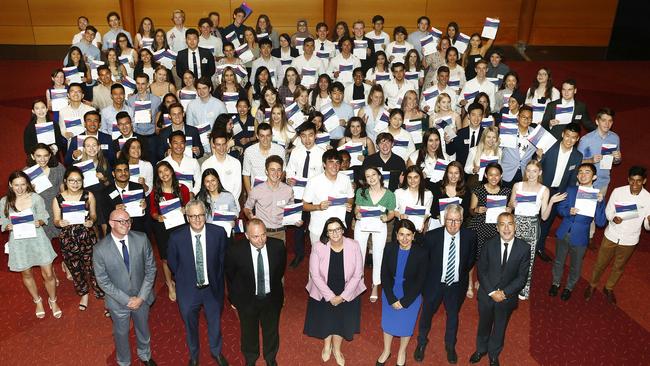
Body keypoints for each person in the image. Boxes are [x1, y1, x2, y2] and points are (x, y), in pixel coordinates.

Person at [166, 200, 228, 366]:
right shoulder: (176, 237)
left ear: (205, 215)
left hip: (212, 289)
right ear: (187, 218)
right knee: (190, 325)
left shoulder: (218, 233)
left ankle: (216, 352)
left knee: (215, 323)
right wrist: (184, 278)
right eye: (193, 216)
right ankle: (194, 355)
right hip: (188, 290)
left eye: (201, 215)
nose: (198, 220)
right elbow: (173, 263)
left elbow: (222, 260)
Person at [93, 209, 157, 366]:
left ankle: (145, 355)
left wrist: (141, 297)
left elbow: (151, 269)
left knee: (143, 328)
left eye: (128, 220)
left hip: (142, 297)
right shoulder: (100, 249)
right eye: (121, 221)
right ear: (111, 223)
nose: (126, 224)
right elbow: (103, 280)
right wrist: (126, 300)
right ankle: (124, 361)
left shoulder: (141, 239)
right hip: (118, 301)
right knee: (121, 333)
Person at [414, 204, 476, 364]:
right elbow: (424, 262)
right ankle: (421, 342)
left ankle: (450, 345)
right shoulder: (432, 237)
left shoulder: (470, 236)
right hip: (434, 284)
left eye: (457, 220)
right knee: (426, 314)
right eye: (450, 220)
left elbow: (470, 261)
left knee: (453, 316)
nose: (453, 224)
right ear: (443, 220)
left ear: (462, 221)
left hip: (456, 285)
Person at [469, 212, 530, 366]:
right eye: (502, 224)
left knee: (500, 327)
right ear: (497, 228)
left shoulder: (524, 248)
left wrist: (504, 293)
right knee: (484, 324)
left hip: (507, 298)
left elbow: (522, 278)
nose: (506, 228)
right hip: (486, 295)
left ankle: (494, 354)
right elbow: (481, 270)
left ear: (515, 226)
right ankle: (481, 349)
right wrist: (491, 292)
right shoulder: (489, 244)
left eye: (510, 224)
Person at [304, 217, 366, 365]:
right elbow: (315, 275)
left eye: (338, 229)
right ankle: (326, 346)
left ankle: (337, 349)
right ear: (327, 233)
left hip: (347, 289)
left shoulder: (354, 245)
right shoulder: (318, 247)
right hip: (324, 289)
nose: (335, 233)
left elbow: (358, 274)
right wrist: (330, 296)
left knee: (340, 322)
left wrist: (343, 296)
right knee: (327, 320)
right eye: (331, 230)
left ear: (343, 230)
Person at [225, 218, 287, 366]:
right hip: (247, 300)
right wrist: (233, 299)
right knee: (248, 331)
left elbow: (279, 272)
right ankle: (251, 358)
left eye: (263, 235)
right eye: (255, 236)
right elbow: (230, 276)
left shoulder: (277, 246)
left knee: (271, 330)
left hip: (271, 298)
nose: (261, 240)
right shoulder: (236, 251)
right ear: (247, 236)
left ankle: (271, 357)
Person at [585, 166, 650, 304]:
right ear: (628, 180)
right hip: (612, 234)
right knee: (600, 263)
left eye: (639, 181)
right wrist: (613, 218)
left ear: (644, 181)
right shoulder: (618, 192)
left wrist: (649, 222)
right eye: (632, 181)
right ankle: (592, 285)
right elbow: (608, 212)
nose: (635, 185)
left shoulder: (648, 198)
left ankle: (609, 287)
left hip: (630, 239)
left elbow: (646, 226)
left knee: (619, 267)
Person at [1, 171, 60, 319]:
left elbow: (44, 216)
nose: (20, 188)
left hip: (38, 239)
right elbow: (3, 220)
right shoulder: (4, 201)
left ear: (27, 184)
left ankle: (53, 300)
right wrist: (7, 226)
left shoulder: (35, 198)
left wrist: (38, 222)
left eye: (23, 184)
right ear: (10, 185)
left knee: (48, 273)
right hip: (19, 243)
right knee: (26, 273)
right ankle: (37, 300)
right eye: (16, 185)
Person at [508, 160, 566, 300]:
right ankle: (509, 284)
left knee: (528, 259)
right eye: (528, 170)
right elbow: (510, 206)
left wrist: (551, 201)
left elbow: (545, 217)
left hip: (532, 225)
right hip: (515, 223)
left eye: (534, 171)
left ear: (539, 172)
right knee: (511, 255)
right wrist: (512, 203)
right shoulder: (517, 185)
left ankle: (523, 288)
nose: (531, 174)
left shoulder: (544, 190)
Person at [549, 163, 606, 301]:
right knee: (558, 261)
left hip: (580, 236)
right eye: (580, 172)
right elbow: (560, 209)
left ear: (594, 177)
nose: (583, 175)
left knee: (576, 265)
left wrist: (600, 203)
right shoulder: (571, 189)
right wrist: (568, 211)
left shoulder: (596, 195)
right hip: (564, 231)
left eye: (587, 172)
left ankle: (569, 287)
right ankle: (555, 283)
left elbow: (600, 222)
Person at [52, 166, 104, 311]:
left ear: (82, 181)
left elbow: (94, 215)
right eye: (71, 180)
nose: (75, 183)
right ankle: (84, 293)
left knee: (94, 266)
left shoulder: (89, 195)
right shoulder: (58, 199)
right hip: (68, 239)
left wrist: (91, 221)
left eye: (78, 180)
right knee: (76, 269)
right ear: (65, 181)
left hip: (87, 236)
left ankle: (99, 290)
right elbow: (56, 220)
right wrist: (59, 223)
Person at [376, 219, 427, 366]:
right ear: (396, 235)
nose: (405, 239)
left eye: (408, 235)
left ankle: (401, 351)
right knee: (388, 323)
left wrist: (405, 302)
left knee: (406, 325)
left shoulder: (421, 253)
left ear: (413, 235)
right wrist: (391, 298)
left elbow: (420, 281)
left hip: (411, 295)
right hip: (390, 291)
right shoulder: (389, 248)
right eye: (401, 234)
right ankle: (386, 350)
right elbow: (384, 274)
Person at [537, 123, 583, 261]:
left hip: (559, 194)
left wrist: (567, 197)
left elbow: (573, 179)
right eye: (567, 136)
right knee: (534, 217)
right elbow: (536, 168)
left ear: (577, 139)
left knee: (547, 222)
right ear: (563, 134)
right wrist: (538, 158)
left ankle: (539, 246)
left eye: (573, 138)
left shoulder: (577, 156)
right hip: (542, 189)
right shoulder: (549, 146)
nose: (569, 140)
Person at [467, 163, 512, 297]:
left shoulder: (506, 192)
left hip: (495, 229)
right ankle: (469, 282)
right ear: (486, 175)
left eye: (496, 175)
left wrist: (510, 210)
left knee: (489, 258)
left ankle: (482, 280)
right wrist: (477, 210)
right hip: (479, 226)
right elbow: (471, 210)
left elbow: (509, 211)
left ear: (501, 176)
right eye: (491, 174)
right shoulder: (478, 190)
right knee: (473, 256)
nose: (494, 177)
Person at [577, 108, 622, 240]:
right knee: (584, 211)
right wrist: (590, 160)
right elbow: (577, 161)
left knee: (597, 210)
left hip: (603, 181)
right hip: (586, 182)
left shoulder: (615, 138)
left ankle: (589, 236)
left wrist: (618, 158)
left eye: (610, 121)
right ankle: (584, 235)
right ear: (597, 121)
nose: (607, 124)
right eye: (603, 120)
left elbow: (616, 161)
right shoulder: (586, 139)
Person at [149, 160, 191, 301]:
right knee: (166, 258)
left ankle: (183, 281)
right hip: (163, 228)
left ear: (171, 171)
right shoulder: (155, 191)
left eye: (166, 170)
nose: (164, 174)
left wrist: (185, 209)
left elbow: (188, 206)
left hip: (180, 226)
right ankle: (169, 284)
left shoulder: (182, 188)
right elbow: (153, 212)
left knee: (182, 255)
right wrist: (158, 217)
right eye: (160, 172)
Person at [354, 166, 396, 300]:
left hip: (379, 225)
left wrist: (387, 218)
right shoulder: (361, 191)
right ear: (365, 179)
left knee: (378, 255)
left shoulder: (389, 194)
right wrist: (357, 215)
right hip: (363, 224)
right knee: (359, 253)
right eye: (368, 176)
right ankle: (358, 281)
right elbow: (357, 209)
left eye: (373, 174)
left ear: (379, 176)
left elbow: (391, 213)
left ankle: (375, 284)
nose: (371, 178)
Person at [285, 122, 325, 266]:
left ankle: (319, 253)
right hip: (299, 193)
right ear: (300, 137)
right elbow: (289, 169)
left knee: (316, 225)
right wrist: (289, 178)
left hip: (315, 196)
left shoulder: (322, 153)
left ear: (316, 135)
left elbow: (325, 175)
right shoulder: (296, 152)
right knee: (298, 225)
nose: (307, 139)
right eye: (303, 136)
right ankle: (299, 254)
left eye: (310, 135)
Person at [303, 149, 355, 246]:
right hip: (318, 227)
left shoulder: (345, 179)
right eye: (331, 162)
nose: (335, 166)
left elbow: (351, 197)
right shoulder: (314, 181)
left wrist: (349, 204)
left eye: (337, 162)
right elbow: (304, 205)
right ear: (324, 164)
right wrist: (318, 207)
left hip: (339, 228)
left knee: (337, 258)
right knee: (318, 258)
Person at [244, 155, 296, 242]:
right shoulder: (256, 190)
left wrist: (295, 220)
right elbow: (247, 208)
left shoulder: (288, 190)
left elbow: (292, 211)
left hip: (281, 232)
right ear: (266, 171)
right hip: (262, 233)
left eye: (279, 170)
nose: (276, 173)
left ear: (282, 172)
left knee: (280, 256)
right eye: (272, 170)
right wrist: (251, 217)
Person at [98, 159, 147, 234]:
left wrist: (144, 208)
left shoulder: (138, 187)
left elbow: (145, 215)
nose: (123, 173)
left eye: (126, 170)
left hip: (136, 230)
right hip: (116, 231)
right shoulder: (106, 192)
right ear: (113, 174)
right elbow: (104, 214)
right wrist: (114, 209)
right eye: (119, 171)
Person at [242, 123, 287, 194]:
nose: (265, 139)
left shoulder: (280, 150)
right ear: (257, 136)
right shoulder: (249, 151)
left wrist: (277, 184)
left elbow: (283, 170)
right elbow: (246, 174)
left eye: (268, 136)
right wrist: (250, 194)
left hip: (275, 190)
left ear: (272, 136)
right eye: (262, 136)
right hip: (256, 192)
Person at [499, 105, 538, 187]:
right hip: (506, 172)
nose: (526, 120)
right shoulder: (508, 129)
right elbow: (498, 150)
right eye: (524, 117)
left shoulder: (535, 133)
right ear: (518, 117)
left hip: (524, 174)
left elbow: (541, 151)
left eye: (529, 118)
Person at [128, 73, 161, 160]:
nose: (140, 87)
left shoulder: (156, 100)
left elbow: (159, 117)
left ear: (148, 84)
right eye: (138, 83)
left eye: (143, 84)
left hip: (152, 136)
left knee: (153, 161)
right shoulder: (130, 100)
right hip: (137, 135)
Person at [446, 102, 484, 167]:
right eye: (473, 115)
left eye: (479, 115)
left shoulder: (485, 134)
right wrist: (447, 141)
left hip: (479, 170)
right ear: (468, 116)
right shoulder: (460, 133)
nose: (476, 118)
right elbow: (450, 151)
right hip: (462, 172)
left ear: (482, 117)